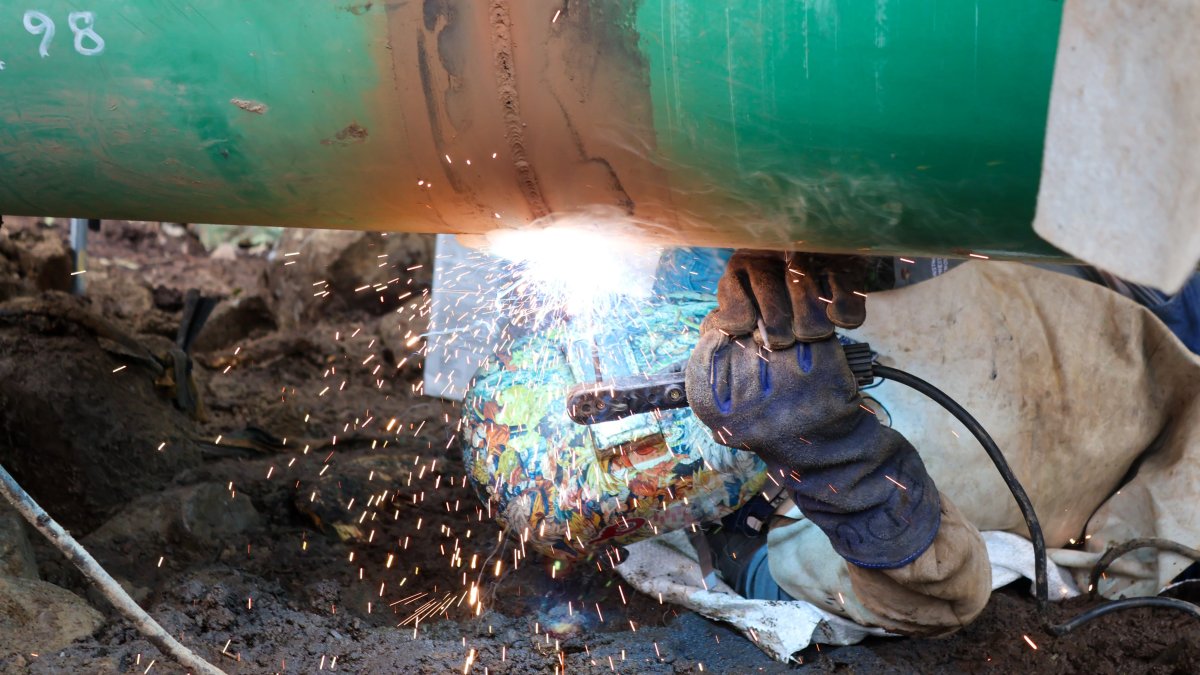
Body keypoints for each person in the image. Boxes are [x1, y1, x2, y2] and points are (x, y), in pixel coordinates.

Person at [461, 247, 1200, 647]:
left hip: (1091, 261)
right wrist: (843, 463)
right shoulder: (774, 550)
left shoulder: (723, 283)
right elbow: (950, 594)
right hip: (1158, 383)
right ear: (644, 504)